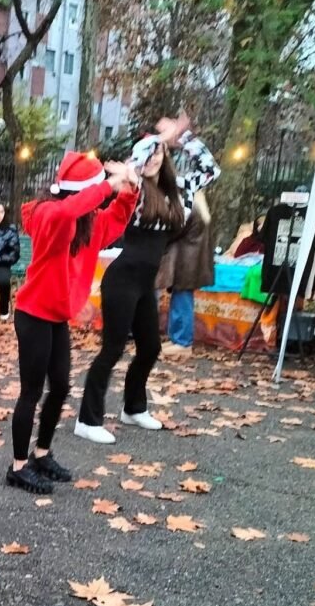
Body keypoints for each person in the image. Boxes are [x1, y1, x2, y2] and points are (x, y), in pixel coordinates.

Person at [76, 114, 219, 445]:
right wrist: (136, 163)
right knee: (112, 350)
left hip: (145, 283)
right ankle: (87, 419)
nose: (153, 159)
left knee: (151, 347)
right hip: (122, 279)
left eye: (158, 154)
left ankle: (133, 407)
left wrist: (181, 138)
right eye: (147, 155)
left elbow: (212, 171)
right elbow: (134, 171)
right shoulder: (135, 189)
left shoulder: (180, 188)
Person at [7, 153, 138, 494]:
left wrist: (129, 188)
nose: (100, 198)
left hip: (57, 317)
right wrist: (108, 185)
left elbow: (118, 219)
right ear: (86, 190)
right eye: (96, 189)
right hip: (33, 314)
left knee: (62, 386)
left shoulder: (90, 223)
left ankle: (42, 453)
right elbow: (68, 211)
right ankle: (18, 466)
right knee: (31, 392)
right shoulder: (48, 213)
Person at [157, 191, 214, 359]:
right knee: (180, 299)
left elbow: (175, 229)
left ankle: (182, 342)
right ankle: (178, 338)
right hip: (189, 259)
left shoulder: (190, 205)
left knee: (182, 301)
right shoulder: (200, 205)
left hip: (185, 260)